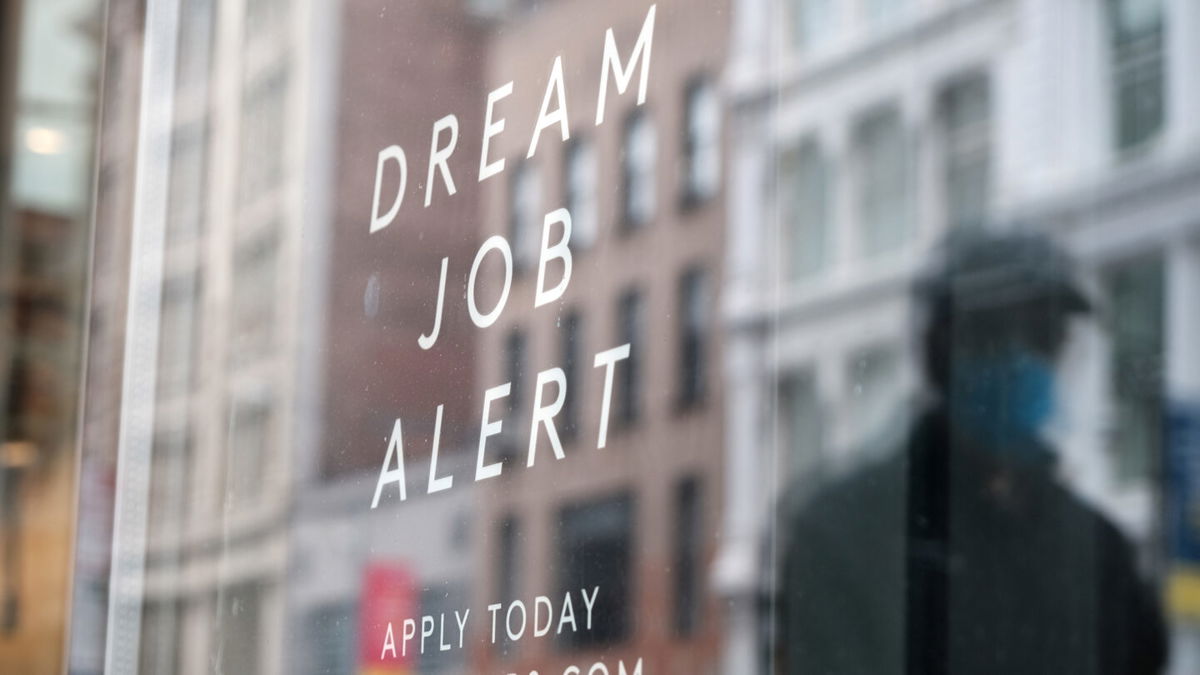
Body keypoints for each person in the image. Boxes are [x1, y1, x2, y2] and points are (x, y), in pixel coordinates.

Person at [774, 230, 1168, 674]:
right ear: (939, 351)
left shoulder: (1099, 552)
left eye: (1043, 335)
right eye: (993, 334)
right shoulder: (843, 534)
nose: (1023, 358)